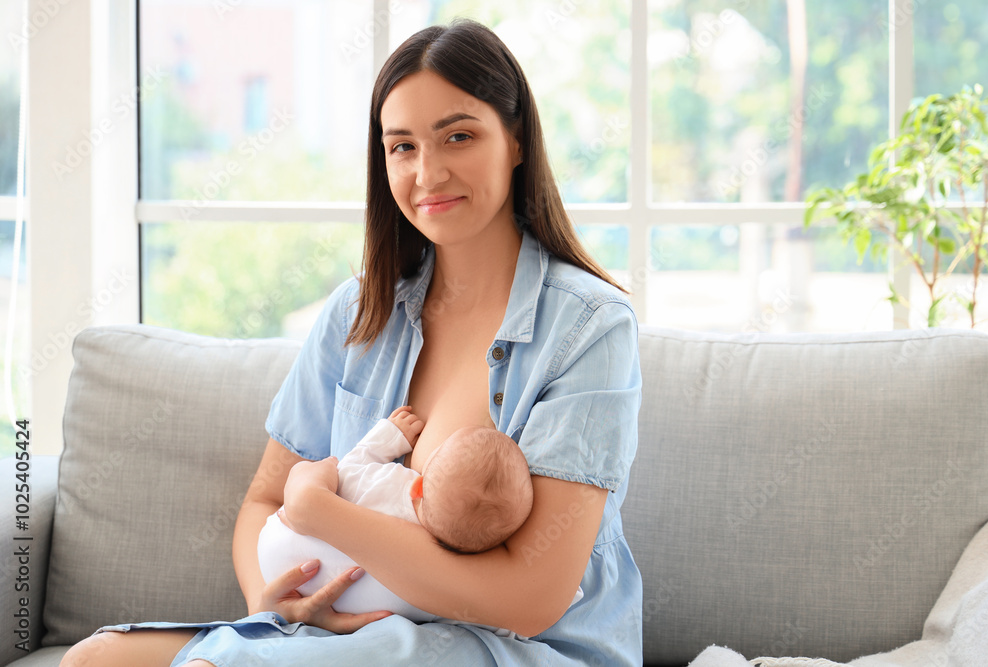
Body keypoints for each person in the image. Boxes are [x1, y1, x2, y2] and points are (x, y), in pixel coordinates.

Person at [61, 16, 642, 667]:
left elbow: (530, 598)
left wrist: (320, 512)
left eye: (458, 136)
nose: (429, 173)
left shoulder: (590, 327)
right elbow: (264, 498)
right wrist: (275, 599)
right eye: (402, 147)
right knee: (94, 658)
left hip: (507, 645)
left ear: (515, 141)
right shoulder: (361, 310)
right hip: (345, 634)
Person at [257, 405, 537, 633]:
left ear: (419, 484)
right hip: (314, 609)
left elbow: (355, 461)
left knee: (326, 470)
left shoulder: (392, 483)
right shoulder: (439, 586)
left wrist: (393, 434)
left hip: (277, 553)